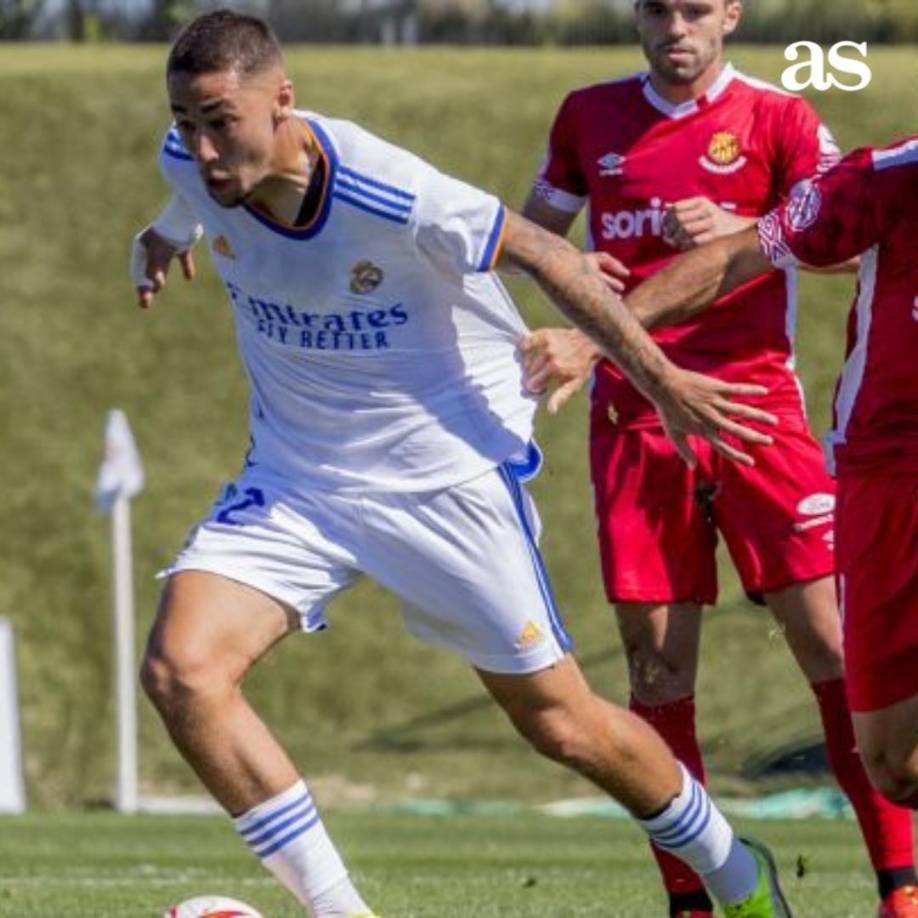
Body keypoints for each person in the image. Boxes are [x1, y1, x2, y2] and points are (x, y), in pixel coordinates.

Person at [131, 9, 792, 918]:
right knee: (182, 671)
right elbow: (186, 198)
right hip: (297, 482)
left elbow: (552, 255)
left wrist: (665, 380)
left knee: (560, 723)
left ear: (282, 101)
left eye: (220, 121)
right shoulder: (197, 169)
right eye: (185, 123)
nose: (203, 149)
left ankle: (733, 868)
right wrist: (163, 238)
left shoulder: (390, 188)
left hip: (443, 482)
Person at [518, 1, 917, 916]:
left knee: (831, 645)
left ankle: (899, 888)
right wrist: (571, 269)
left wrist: (740, 219)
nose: (675, 26)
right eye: (656, 7)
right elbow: (533, 237)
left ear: (731, 13)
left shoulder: (781, 117)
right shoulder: (588, 113)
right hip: (632, 410)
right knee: (656, 669)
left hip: (753, 407)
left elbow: (839, 245)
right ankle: (697, 898)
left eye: (695, 7)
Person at [613, 137, 918, 818]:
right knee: (895, 765)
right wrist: (601, 334)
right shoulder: (882, 180)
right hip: (886, 477)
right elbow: (733, 257)